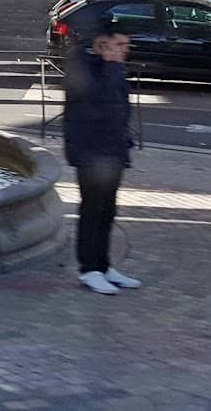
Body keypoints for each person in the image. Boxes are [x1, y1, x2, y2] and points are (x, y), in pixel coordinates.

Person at [62, 26, 140, 295]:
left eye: (125, 45)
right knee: (92, 210)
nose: (124, 51)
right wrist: (111, 66)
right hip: (90, 153)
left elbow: (120, 107)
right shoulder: (83, 67)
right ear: (102, 44)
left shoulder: (110, 67)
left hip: (112, 151)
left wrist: (124, 141)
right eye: (119, 45)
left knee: (107, 210)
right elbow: (99, 104)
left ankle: (104, 266)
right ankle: (89, 269)